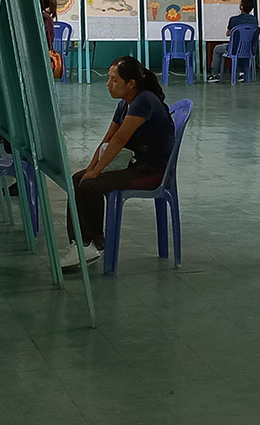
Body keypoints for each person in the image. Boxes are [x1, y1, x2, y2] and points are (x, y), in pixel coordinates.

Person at [62, 56, 175, 269]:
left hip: (152, 172)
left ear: (131, 83)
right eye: (108, 78)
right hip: (135, 164)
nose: (108, 84)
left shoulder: (144, 101)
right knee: (78, 178)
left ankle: (90, 245)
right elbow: (108, 138)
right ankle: (84, 244)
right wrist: (92, 168)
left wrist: (97, 172)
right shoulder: (126, 103)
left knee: (89, 184)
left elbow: (120, 139)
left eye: (114, 80)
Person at [210, 0, 258, 79]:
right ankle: (242, 73)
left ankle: (214, 75)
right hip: (249, 49)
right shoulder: (254, 20)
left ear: (241, 7)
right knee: (242, 51)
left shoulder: (234, 19)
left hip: (234, 49)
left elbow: (228, 33)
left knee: (217, 49)